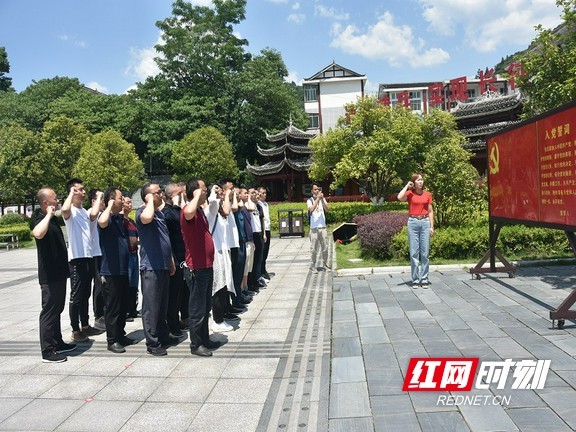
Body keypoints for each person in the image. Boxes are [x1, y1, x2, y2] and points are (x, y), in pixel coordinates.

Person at [32, 188, 75, 363]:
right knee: (49, 311)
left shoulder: (54, 218)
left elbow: (65, 210)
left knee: (57, 309)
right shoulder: (38, 218)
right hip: (49, 274)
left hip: (59, 272)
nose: (57, 201)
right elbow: (37, 233)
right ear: (45, 203)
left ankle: (57, 342)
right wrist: (48, 216)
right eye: (54, 199)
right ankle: (48, 351)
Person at [180, 178, 220, 357]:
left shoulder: (200, 211)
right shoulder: (188, 211)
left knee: (205, 306)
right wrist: (196, 196)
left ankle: (204, 338)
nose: (206, 192)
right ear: (195, 192)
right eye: (204, 189)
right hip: (196, 268)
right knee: (197, 309)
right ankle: (196, 344)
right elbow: (188, 212)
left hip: (206, 266)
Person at [136, 183, 177, 356]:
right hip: (151, 266)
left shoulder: (159, 214)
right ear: (148, 196)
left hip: (164, 264)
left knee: (162, 304)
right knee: (151, 307)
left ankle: (162, 334)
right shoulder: (142, 211)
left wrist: (171, 261)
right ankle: (152, 343)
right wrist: (150, 202)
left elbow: (165, 237)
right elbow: (146, 218)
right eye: (157, 192)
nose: (161, 193)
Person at [61, 178, 104, 342]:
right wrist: (71, 193)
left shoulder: (84, 212)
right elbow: (63, 209)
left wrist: (99, 197)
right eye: (81, 189)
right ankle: (75, 329)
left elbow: (94, 214)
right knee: (76, 296)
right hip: (76, 259)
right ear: (73, 191)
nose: (84, 192)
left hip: (88, 257)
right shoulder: (70, 211)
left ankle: (85, 325)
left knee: (86, 293)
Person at [98, 187, 135, 353]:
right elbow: (102, 222)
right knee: (112, 307)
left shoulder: (119, 219)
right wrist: (109, 205)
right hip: (110, 271)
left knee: (122, 304)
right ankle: (112, 340)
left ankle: (120, 334)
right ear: (112, 200)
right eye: (120, 198)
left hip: (122, 269)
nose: (123, 200)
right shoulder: (105, 217)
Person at [397, 172, 435, 289]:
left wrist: (431, 226)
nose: (420, 182)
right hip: (413, 222)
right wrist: (406, 186)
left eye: (422, 180)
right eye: (418, 180)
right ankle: (415, 279)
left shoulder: (427, 194)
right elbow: (399, 197)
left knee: (425, 253)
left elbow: (430, 211)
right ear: (413, 182)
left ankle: (424, 279)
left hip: (424, 223)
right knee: (414, 253)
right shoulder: (409, 194)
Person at [160, 183, 187, 337]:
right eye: (178, 193)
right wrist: (178, 204)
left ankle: (178, 321)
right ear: (171, 195)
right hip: (174, 258)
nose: (182, 195)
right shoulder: (167, 212)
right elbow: (176, 219)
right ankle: (172, 325)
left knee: (180, 293)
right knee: (173, 295)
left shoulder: (177, 210)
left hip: (182, 256)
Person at [122, 197, 140, 320]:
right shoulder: (120, 221)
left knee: (134, 283)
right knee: (126, 283)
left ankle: (133, 308)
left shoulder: (132, 222)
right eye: (127, 202)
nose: (130, 204)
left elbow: (137, 237)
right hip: (126, 255)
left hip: (134, 253)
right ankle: (126, 310)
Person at [307, 182, 330, 273]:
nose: (317, 191)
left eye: (318, 189)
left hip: (322, 227)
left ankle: (325, 264)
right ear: (312, 191)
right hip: (314, 228)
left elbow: (327, 209)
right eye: (315, 189)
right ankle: (313, 265)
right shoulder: (310, 200)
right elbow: (311, 209)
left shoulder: (322, 199)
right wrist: (317, 199)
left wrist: (322, 199)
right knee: (314, 249)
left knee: (325, 247)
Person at [258, 186, 272, 281]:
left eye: (265, 193)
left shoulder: (266, 204)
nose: (264, 195)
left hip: (268, 228)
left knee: (266, 251)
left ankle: (264, 268)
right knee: (261, 252)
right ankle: (260, 271)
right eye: (262, 193)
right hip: (262, 230)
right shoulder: (258, 205)